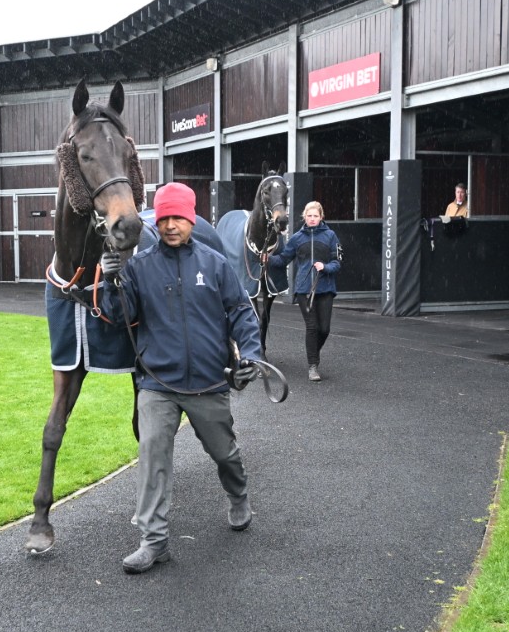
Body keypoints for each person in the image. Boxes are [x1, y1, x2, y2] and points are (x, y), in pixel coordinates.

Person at [100, 182, 264, 575]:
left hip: (208, 382)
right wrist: (111, 282)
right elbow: (119, 317)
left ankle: (238, 496)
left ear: (190, 218)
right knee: (153, 452)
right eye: (165, 217)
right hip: (158, 382)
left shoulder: (214, 263)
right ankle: (153, 541)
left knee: (224, 453)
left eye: (179, 217)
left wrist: (252, 354)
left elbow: (242, 312)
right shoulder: (139, 266)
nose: (171, 225)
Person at [265, 201, 341, 382]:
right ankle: (312, 366)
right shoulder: (297, 238)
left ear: (321, 217)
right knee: (312, 327)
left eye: (315, 216)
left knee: (325, 329)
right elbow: (283, 259)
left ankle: (313, 352)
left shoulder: (331, 236)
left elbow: (337, 262)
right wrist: (267, 259)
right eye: (309, 216)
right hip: (304, 289)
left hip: (325, 288)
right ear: (304, 217)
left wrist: (325, 267)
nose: (312, 219)